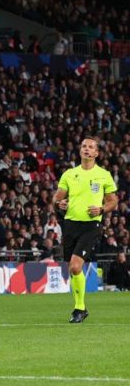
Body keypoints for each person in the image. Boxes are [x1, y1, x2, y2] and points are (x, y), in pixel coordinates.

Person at [52, 136, 118, 323]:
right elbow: (55, 200)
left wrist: (102, 209)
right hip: (70, 224)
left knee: (75, 266)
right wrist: (59, 203)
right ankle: (80, 307)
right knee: (72, 269)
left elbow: (113, 201)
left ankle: (79, 308)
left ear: (96, 153)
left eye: (91, 147)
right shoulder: (69, 174)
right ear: (80, 150)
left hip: (91, 225)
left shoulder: (103, 174)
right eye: (83, 146)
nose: (86, 149)